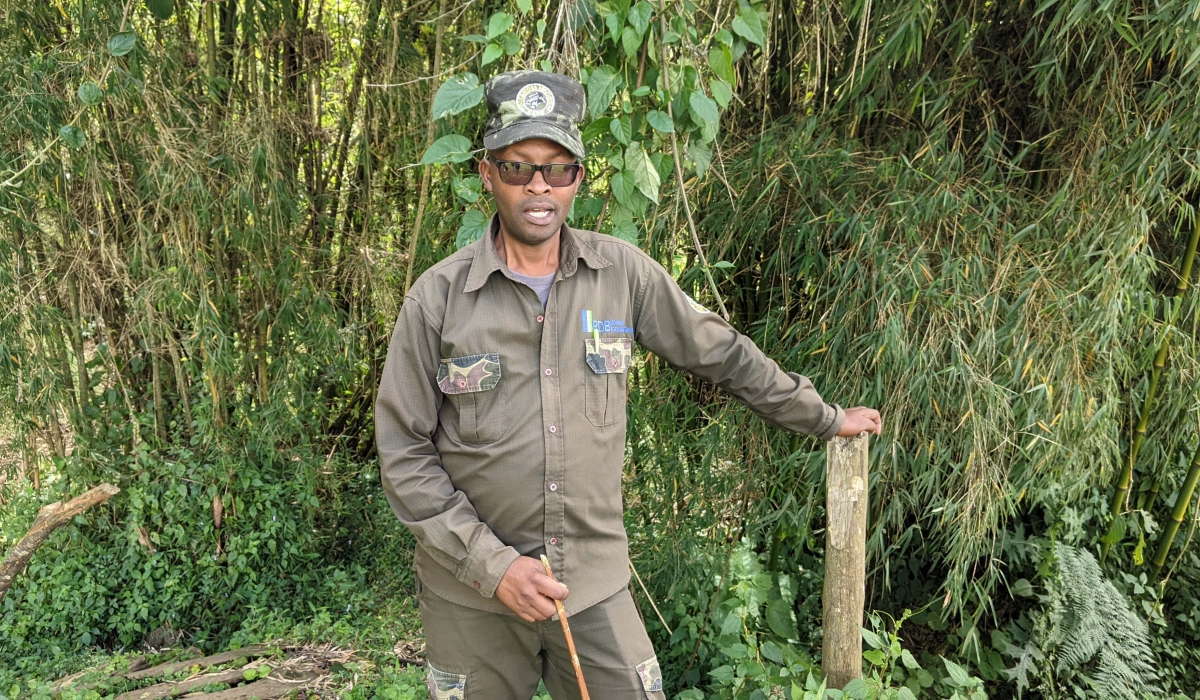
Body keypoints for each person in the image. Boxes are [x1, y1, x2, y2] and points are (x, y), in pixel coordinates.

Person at [375, 70, 882, 700]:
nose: (539, 185)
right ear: (488, 174)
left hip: (591, 583)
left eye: (558, 168)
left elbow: (720, 352)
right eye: (518, 167)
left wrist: (824, 417)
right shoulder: (438, 298)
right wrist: (494, 566)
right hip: (470, 596)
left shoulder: (622, 275)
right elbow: (403, 453)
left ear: (578, 179)